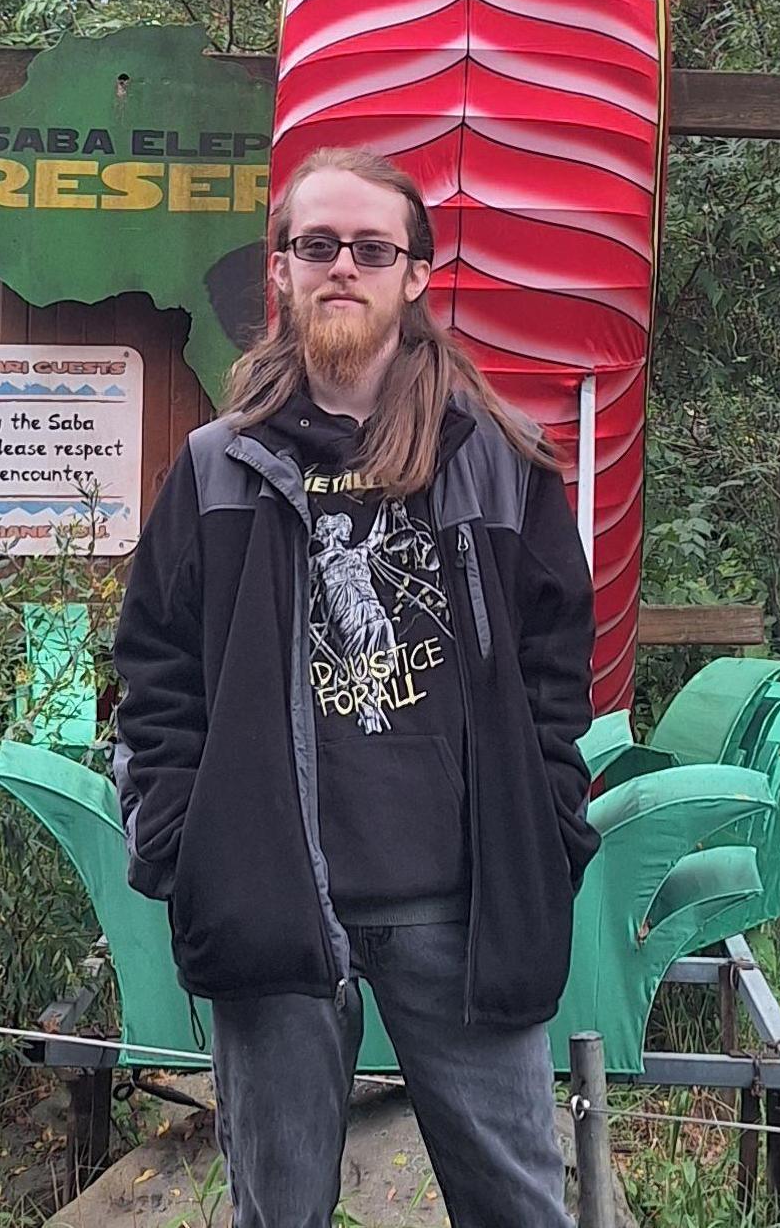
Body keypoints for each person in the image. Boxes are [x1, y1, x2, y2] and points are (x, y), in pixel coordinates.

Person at [114, 145, 599, 1228]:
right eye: (315, 245)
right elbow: (153, 671)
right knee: (277, 1214)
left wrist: (547, 822)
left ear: (415, 274)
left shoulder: (498, 463)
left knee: (521, 1210)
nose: (343, 266)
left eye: (370, 248)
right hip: (274, 904)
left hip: (462, 913)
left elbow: (558, 668)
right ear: (279, 271)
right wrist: (184, 842)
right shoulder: (215, 469)